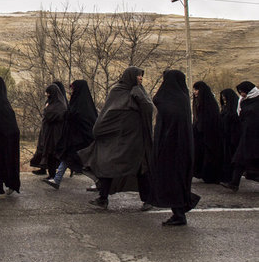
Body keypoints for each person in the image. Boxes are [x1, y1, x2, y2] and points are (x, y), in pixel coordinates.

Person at [78, 66, 154, 210]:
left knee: (140, 169)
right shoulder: (117, 92)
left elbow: (149, 110)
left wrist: (138, 93)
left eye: (141, 76)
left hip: (135, 141)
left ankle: (148, 200)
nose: (140, 78)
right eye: (138, 76)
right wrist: (99, 130)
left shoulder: (139, 92)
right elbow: (108, 114)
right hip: (117, 140)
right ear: (130, 76)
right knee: (108, 166)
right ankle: (103, 198)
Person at [146, 70, 200, 226]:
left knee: (172, 180)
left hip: (171, 148)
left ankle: (180, 212)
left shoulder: (172, 98)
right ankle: (179, 211)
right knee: (176, 180)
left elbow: (159, 101)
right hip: (181, 147)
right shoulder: (181, 97)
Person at [49, 80, 98, 189]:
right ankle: (56, 180)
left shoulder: (82, 106)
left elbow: (78, 119)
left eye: (73, 88)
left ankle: (98, 181)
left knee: (82, 162)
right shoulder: (79, 102)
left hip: (82, 141)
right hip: (74, 139)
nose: (71, 91)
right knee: (67, 158)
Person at [221, 81, 259, 191]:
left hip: (256, 136)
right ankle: (234, 183)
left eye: (242, 92)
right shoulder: (243, 101)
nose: (241, 94)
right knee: (239, 159)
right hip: (246, 135)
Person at [30, 84, 67, 181]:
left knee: (53, 153)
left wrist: (46, 109)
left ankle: (54, 176)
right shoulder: (53, 103)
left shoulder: (60, 105)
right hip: (48, 133)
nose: (47, 95)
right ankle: (51, 174)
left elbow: (51, 115)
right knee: (49, 154)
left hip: (55, 134)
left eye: (48, 93)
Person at [192, 81, 222, 184]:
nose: (195, 92)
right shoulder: (199, 102)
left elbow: (211, 119)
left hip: (209, 134)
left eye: (196, 90)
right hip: (200, 133)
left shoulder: (210, 103)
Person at [219, 88, 241, 183]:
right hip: (225, 135)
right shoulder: (225, 107)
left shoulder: (236, 107)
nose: (224, 99)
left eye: (225, 97)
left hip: (233, 135)